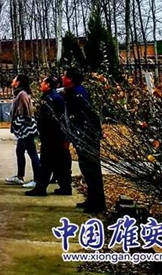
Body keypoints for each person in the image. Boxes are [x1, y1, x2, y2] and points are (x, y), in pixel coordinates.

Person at [62, 67, 106, 213]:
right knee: (87, 169)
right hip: (82, 135)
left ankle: (97, 203)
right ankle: (92, 199)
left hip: (87, 136)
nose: (62, 78)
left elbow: (89, 114)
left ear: (70, 79)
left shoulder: (78, 94)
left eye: (64, 76)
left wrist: (94, 132)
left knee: (91, 169)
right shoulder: (73, 92)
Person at [25, 75, 72, 197]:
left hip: (51, 135)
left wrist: (43, 130)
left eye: (43, 83)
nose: (41, 85)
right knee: (60, 162)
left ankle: (41, 188)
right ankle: (65, 187)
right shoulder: (57, 97)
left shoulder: (49, 98)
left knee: (46, 162)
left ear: (48, 85)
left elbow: (49, 118)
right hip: (57, 135)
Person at [6, 74, 41, 186]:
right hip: (23, 129)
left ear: (18, 82)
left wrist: (16, 124)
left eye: (15, 79)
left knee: (32, 152)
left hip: (26, 129)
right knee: (20, 151)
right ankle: (20, 176)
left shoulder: (22, 94)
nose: (13, 80)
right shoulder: (19, 94)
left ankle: (37, 179)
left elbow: (24, 113)